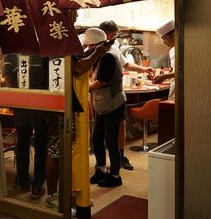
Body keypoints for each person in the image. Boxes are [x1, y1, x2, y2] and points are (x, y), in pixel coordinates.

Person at [45, 35, 109, 207]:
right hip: (60, 104)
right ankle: (53, 196)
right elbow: (78, 67)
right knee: (57, 151)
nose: (76, 15)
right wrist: (96, 53)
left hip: (55, 101)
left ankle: (64, 193)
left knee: (63, 150)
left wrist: (92, 51)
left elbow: (76, 61)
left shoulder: (54, 41)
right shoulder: (61, 39)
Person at [99, 20, 155, 171]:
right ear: (105, 34)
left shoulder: (115, 48)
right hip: (100, 98)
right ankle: (103, 165)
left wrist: (144, 69)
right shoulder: (95, 49)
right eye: (114, 35)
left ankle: (120, 157)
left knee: (119, 127)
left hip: (117, 94)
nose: (115, 38)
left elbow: (127, 65)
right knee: (100, 133)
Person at [2, 53, 49, 199]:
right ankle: (34, 184)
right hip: (40, 103)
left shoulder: (12, 51)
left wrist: (14, 99)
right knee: (39, 145)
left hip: (29, 104)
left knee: (25, 144)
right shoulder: (40, 49)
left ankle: (26, 182)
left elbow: (8, 77)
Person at [86, 28, 127, 187]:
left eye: (91, 46)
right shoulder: (97, 56)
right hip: (102, 102)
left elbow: (101, 81)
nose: (89, 49)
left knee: (110, 139)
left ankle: (115, 175)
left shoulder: (109, 57)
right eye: (88, 46)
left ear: (101, 44)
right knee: (96, 137)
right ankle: (101, 169)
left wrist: (86, 87)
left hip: (114, 102)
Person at [152, 19, 175, 99]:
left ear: (173, 34)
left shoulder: (185, 49)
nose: (164, 42)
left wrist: (165, 76)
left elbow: (185, 71)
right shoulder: (172, 50)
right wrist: (163, 76)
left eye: (164, 38)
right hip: (174, 87)